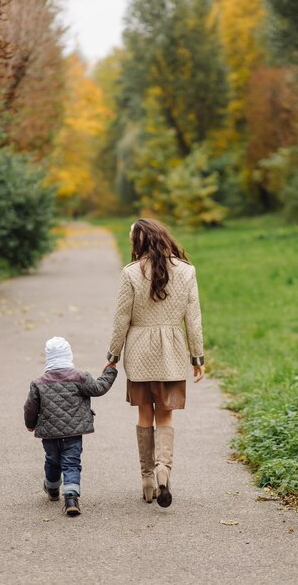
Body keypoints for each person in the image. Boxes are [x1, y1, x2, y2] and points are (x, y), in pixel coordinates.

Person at [104, 218, 204, 508]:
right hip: (172, 353)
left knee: (144, 416)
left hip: (139, 354)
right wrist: (197, 357)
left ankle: (147, 480)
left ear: (140, 241)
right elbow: (193, 319)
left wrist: (112, 356)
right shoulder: (187, 272)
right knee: (166, 416)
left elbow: (121, 318)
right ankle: (164, 470)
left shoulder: (131, 273)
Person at [24, 336, 117, 517]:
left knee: (52, 460)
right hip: (74, 433)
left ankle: (52, 489)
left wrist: (30, 424)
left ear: (49, 358)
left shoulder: (38, 383)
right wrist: (110, 371)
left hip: (49, 435)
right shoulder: (80, 377)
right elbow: (99, 388)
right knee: (72, 464)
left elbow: (30, 407)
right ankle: (71, 499)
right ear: (69, 356)